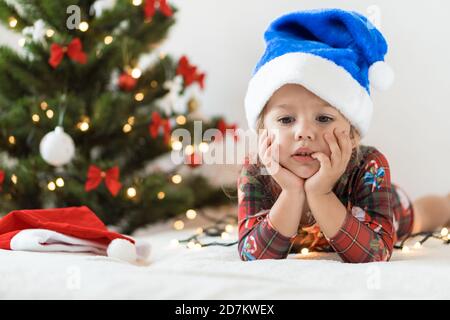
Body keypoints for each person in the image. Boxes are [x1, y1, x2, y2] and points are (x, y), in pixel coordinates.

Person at [237, 8, 450, 263]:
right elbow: (253, 255)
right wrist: (292, 192)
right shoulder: (256, 171)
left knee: (421, 215)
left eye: (324, 118)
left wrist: (320, 193)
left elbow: (375, 253)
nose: (303, 132)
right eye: (285, 119)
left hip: (385, 209)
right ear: (263, 132)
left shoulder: (369, 165)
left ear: (352, 135)